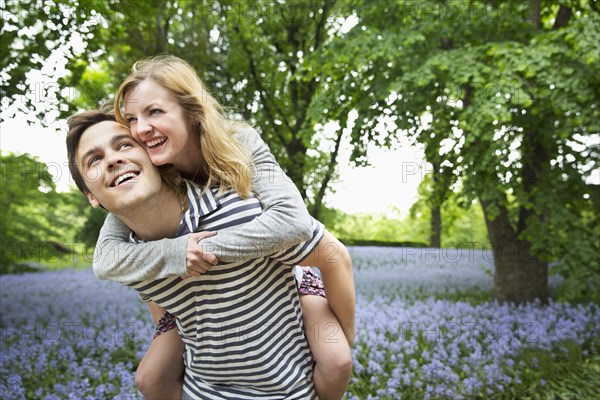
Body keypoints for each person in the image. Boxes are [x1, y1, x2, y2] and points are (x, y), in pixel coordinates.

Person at [89, 56, 355, 399]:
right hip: (197, 307)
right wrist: (174, 254)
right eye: (132, 120)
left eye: (154, 112)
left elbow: (293, 221)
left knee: (336, 358)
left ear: (192, 110)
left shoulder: (240, 142)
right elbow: (107, 258)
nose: (140, 129)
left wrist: (202, 250)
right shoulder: (147, 177)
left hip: (284, 273)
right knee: (150, 377)